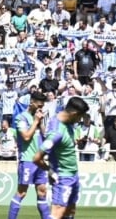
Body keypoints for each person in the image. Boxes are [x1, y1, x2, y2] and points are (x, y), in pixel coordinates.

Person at [34, 97, 89, 219]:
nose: (80, 120)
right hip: (63, 177)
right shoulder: (56, 133)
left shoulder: (66, 122)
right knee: (57, 213)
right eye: (80, 117)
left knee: (70, 211)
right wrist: (50, 171)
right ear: (74, 114)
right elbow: (37, 158)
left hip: (73, 175)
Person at [8, 91, 50, 219]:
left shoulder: (39, 118)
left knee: (42, 192)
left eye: (42, 106)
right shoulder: (21, 117)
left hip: (40, 162)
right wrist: (36, 121)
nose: (40, 109)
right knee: (22, 192)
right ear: (31, 103)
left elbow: (46, 137)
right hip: (27, 160)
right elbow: (26, 136)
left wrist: (41, 123)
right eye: (39, 105)